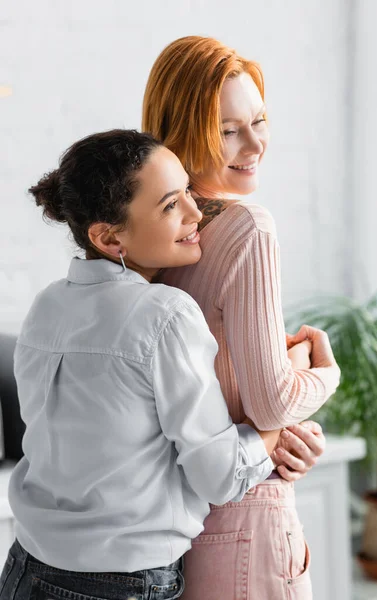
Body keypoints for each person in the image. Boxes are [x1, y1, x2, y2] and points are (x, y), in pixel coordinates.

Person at [0, 129, 285, 600]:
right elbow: (219, 477)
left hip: (24, 571)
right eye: (171, 205)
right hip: (120, 584)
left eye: (188, 194)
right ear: (109, 236)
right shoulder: (166, 314)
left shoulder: (46, 305)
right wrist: (278, 422)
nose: (197, 213)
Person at [142, 36, 341, 599]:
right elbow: (270, 403)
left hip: (172, 525)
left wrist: (286, 432)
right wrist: (321, 369)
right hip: (247, 516)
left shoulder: (153, 241)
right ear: (182, 133)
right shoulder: (249, 227)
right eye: (228, 130)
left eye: (259, 120)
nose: (254, 144)